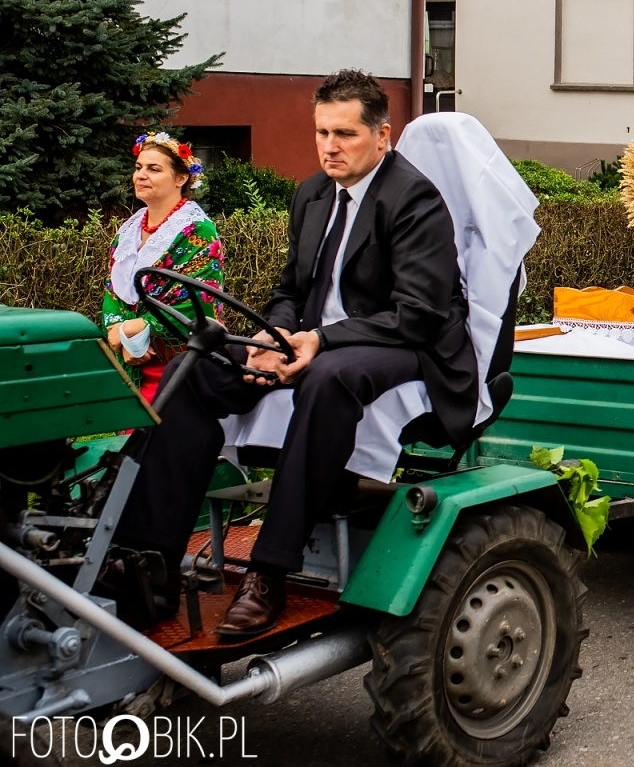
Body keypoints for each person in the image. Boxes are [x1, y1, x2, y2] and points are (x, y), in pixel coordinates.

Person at [112, 69, 477, 638]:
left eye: (346, 134)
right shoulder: (310, 193)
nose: (330, 146)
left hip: (409, 344)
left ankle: (269, 571)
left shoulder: (415, 200)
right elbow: (290, 292)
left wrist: (320, 340)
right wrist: (272, 338)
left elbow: (421, 313)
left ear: (382, 136)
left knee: (327, 377)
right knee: (195, 366)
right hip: (314, 339)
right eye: (322, 133)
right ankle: (150, 561)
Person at [102, 133, 223, 403]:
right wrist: (120, 333)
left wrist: (139, 327)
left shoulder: (197, 231)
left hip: (176, 363)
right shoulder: (129, 230)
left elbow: (200, 301)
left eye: (154, 169)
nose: (141, 175)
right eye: (138, 168)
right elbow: (112, 290)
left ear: (181, 179)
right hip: (128, 358)